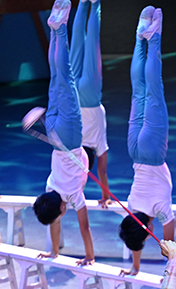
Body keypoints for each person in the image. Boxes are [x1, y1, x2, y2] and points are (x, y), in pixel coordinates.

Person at [32, 0, 96, 265]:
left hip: (70, 135)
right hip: (53, 132)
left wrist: (89, 256)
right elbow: (55, 221)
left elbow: (85, 227)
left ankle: (59, 29)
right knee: (56, 76)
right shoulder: (50, 186)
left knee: (65, 75)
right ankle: (54, 29)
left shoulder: (73, 196)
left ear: (61, 208)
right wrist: (54, 253)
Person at [118, 7, 175, 276]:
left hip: (153, 151)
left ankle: (153, 38)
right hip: (134, 150)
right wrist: (135, 266)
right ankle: (140, 37)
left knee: (153, 89)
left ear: (149, 229)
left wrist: (171, 268)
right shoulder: (131, 207)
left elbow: (171, 248)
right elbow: (134, 232)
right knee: (139, 91)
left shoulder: (161, 210)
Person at [72, 0, 110, 205]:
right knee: (77, 43)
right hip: (73, 95)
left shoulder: (98, 145)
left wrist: (106, 197)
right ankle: (82, 4)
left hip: (91, 95)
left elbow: (102, 172)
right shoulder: (72, 142)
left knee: (91, 44)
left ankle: (94, 4)